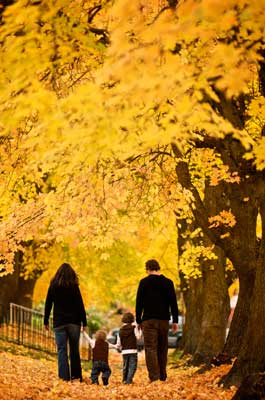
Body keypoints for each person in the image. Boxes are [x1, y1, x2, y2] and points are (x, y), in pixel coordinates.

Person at [135, 259, 179, 382]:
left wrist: (138, 320)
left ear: (147, 269)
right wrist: (175, 320)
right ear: (158, 268)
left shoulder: (144, 282)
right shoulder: (168, 282)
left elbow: (139, 303)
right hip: (164, 320)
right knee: (162, 348)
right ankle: (163, 376)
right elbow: (173, 303)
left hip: (148, 320)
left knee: (150, 348)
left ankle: (154, 378)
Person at [44, 263, 87, 382]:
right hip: (74, 322)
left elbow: (48, 303)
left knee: (62, 350)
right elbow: (80, 304)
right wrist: (84, 322)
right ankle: (76, 376)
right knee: (74, 349)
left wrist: (46, 320)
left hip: (59, 322)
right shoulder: (74, 286)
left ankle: (64, 378)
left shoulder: (53, 285)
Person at [117, 312, 141, 384]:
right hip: (133, 351)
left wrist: (119, 347)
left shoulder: (120, 330)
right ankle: (129, 380)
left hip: (124, 351)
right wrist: (140, 331)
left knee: (125, 366)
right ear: (132, 319)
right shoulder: (134, 328)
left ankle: (124, 379)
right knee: (132, 366)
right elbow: (138, 337)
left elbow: (119, 343)